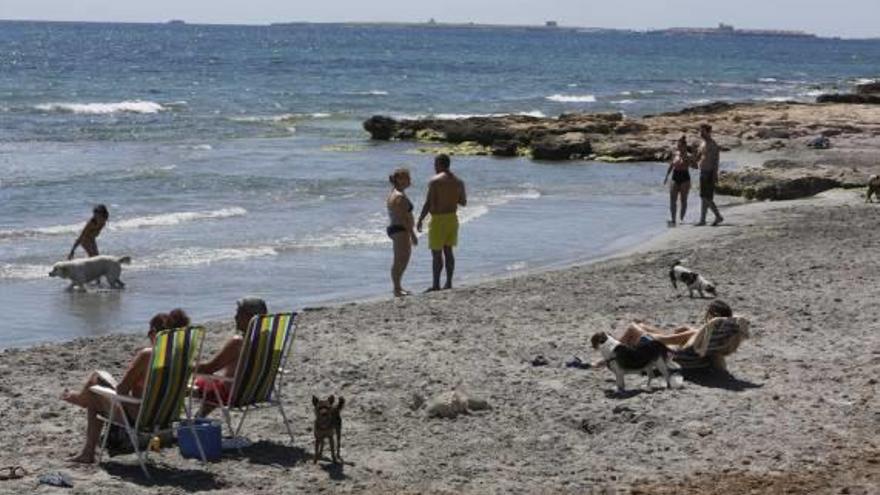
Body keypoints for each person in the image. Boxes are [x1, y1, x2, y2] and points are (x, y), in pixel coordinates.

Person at [61, 308, 190, 463]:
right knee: (96, 388)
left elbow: (121, 390)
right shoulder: (183, 357)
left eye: (150, 332)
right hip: (167, 418)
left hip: (140, 418)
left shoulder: (148, 355)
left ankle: (88, 450)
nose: (148, 336)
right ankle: (80, 398)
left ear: (155, 333)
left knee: (95, 390)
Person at [194, 297, 268, 416]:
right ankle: (199, 417)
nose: (235, 317)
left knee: (186, 383)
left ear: (250, 317)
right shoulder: (267, 339)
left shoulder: (239, 342)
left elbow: (209, 368)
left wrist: (183, 368)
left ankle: (171, 423)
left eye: (239, 313)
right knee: (214, 383)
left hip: (233, 395)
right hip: (258, 392)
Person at [416, 154, 467, 291]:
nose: (434, 167)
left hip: (438, 220)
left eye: (435, 164)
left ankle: (436, 285)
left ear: (439, 164)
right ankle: (449, 283)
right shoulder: (459, 181)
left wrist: (420, 219)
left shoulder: (435, 181)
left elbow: (428, 203)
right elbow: (463, 202)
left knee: (436, 254)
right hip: (452, 218)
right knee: (449, 251)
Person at [616, 300, 733, 348]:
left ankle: (612, 354)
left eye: (707, 311)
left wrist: (642, 332)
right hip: (681, 345)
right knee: (641, 326)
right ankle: (621, 347)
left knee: (633, 327)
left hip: (666, 352)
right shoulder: (717, 333)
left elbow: (664, 340)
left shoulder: (696, 333)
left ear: (712, 315)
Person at [386, 168, 418, 297]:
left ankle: (398, 287)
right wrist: (412, 234)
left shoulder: (396, 193)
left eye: (409, 178)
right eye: (407, 178)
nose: (409, 180)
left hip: (398, 229)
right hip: (400, 229)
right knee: (401, 260)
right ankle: (397, 288)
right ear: (399, 180)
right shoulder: (398, 196)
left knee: (401, 259)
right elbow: (403, 217)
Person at [695, 124, 724, 226]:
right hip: (702, 171)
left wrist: (714, 175)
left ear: (708, 132)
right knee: (703, 196)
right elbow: (698, 157)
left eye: (703, 132)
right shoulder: (702, 143)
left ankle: (718, 216)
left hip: (709, 172)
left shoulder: (713, 145)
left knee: (706, 197)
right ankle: (702, 219)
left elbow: (716, 162)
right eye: (700, 131)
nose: (701, 134)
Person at [663, 136, 694, 226]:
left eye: (680, 145)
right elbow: (671, 165)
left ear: (684, 146)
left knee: (683, 200)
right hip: (675, 177)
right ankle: (673, 220)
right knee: (672, 200)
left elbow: (695, 166)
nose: (678, 147)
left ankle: (681, 219)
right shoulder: (675, 154)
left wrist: (689, 162)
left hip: (685, 178)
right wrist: (666, 176)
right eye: (678, 145)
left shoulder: (689, 155)